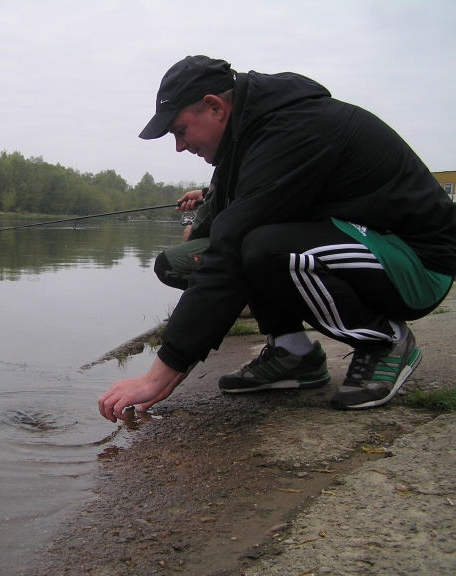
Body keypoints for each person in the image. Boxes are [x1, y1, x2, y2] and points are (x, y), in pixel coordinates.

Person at [98, 55, 456, 423]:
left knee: (260, 248)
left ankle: (383, 341)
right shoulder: (242, 141)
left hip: (419, 262)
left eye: (180, 130)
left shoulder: (291, 129)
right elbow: (220, 228)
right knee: (211, 252)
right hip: (365, 246)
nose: (179, 145)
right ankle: (293, 353)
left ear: (214, 106)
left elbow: (232, 245)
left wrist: (160, 373)